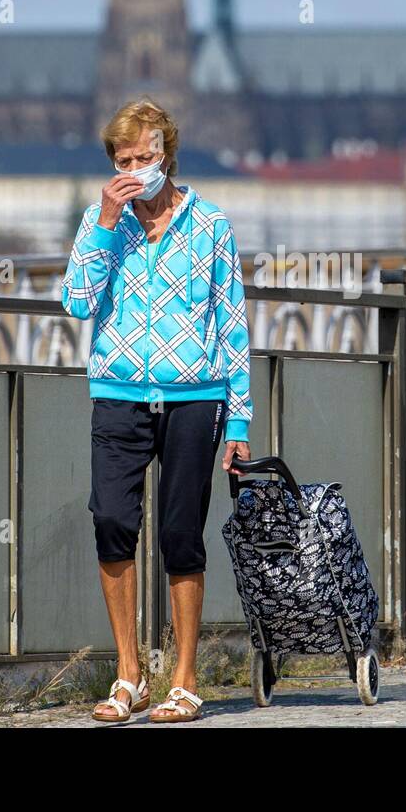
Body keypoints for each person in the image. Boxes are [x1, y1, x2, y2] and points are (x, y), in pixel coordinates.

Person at [61, 97, 253, 723]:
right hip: (117, 392)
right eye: (125, 158)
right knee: (112, 521)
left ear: (167, 153)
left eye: (146, 155)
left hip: (194, 396)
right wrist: (105, 225)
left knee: (179, 534)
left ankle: (185, 677)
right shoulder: (100, 222)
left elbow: (233, 324)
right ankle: (127, 674)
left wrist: (241, 420)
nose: (137, 166)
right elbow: (77, 302)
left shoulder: (211, 224)